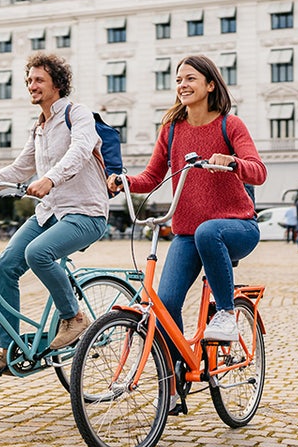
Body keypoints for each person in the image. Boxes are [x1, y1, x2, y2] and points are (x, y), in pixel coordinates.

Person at [0, 53, 109, 375]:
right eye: (29, 80)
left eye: (39, 80)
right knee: (4, 266)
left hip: (85, 212)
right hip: (50, 213)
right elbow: (20, 169)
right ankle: (8, 347)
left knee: (38, 253)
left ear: (57, 84)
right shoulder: (39, 128)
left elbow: (81, 150)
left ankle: (74, 317)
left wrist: (50, 179)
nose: (32, 85)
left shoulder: (78, 114)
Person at [112, 55, 266, 343]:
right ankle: (174, 378)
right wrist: (124, 181)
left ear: (210, 85)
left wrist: (233, 162)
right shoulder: (171, 129)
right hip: (187, 233)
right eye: (179, 80)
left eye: (190, 78)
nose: (182, 85)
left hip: (238, 228)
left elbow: (258, 172)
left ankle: (225, 313)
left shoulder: (230, 125)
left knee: (209, 231)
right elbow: (152, 177)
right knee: (166, 304)